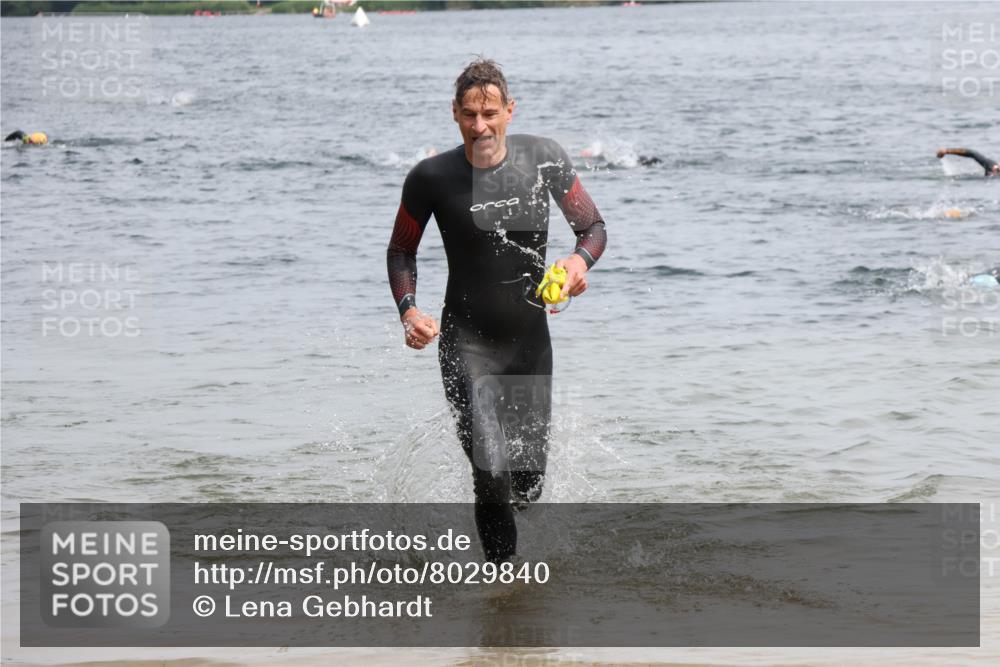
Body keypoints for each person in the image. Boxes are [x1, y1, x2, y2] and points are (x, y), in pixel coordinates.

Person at [386, 59, 607, 563]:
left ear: (509, 110)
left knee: (526, 488)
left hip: (529, 345)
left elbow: (593, 228)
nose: (479, 125)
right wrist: (408, 310)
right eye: (469, 114)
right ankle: (503, 595)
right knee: (490, 469)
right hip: (467, 344)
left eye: (489, 113)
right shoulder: (431, 177)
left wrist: (577, 261)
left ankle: (514, 613)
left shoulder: (544, 158)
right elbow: (401, 251)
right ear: (455, 114)